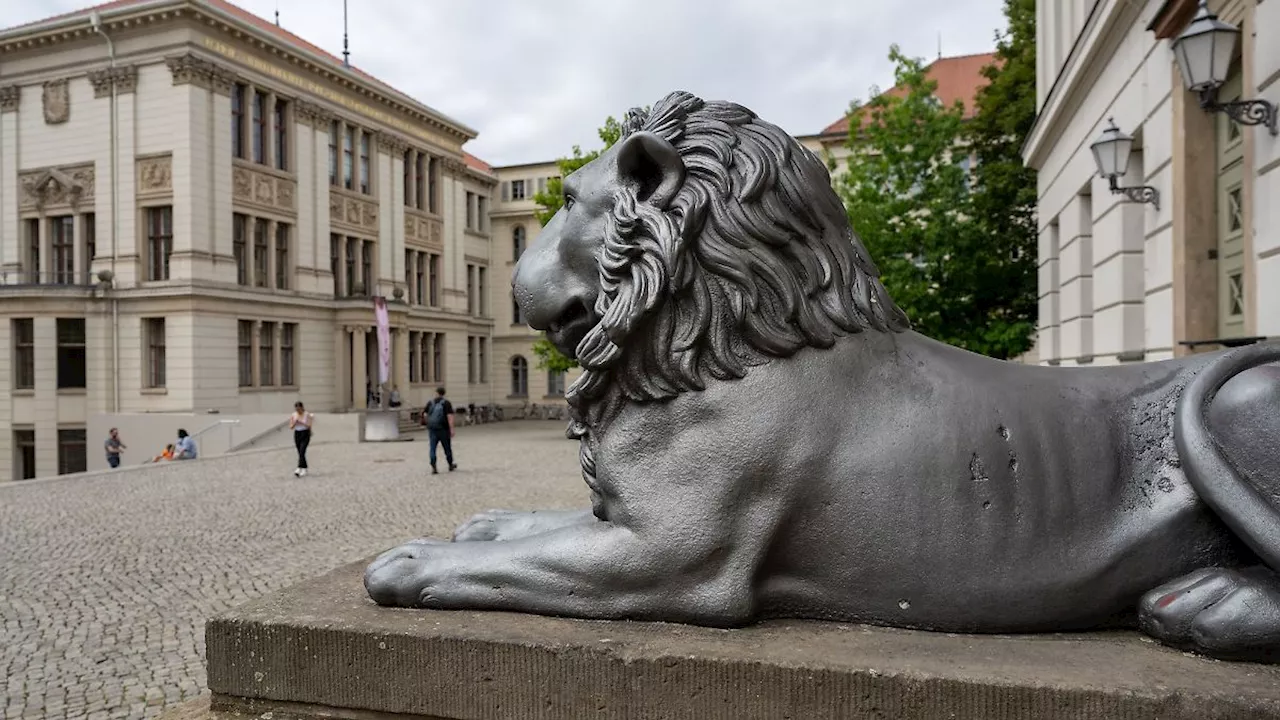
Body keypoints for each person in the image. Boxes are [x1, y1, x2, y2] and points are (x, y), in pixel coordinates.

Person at [422, 386, 456, 474]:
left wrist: (428, 423)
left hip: (432, 429)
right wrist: (452, 429)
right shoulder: (446, 403)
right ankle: (450, 464)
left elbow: (425, 414)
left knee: (432, 448)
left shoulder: (430, 402)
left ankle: (433, 466)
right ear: (444, 393)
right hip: (443, 429)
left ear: (436, 393)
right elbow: (450, 416)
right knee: (447, 448)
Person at [289, 401, 315, 477]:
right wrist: (295, 423)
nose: (298, 411)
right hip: (297, 433)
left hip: (305, 433)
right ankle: (304, 467)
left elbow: (309, 425)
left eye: (299, 409)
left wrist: (301, 422)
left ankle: (299, 467)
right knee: (299, 451)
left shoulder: (307, 414)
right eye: (297, 409)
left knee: (302, 450)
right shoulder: (293, 415)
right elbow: (291, 426)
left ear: (302, 408)